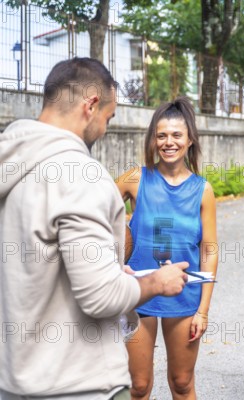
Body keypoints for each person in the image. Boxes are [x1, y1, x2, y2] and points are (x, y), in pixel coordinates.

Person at [0, 58, 189, 399]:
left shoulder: (11, 168)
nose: (104, 129)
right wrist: (157, 281)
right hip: (78, 383)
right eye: (108, 117)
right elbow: (102, 297)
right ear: (90, 106)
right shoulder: (80, 175)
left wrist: (114, 271)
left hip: (14, 381)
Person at [115, 97, 218, 399]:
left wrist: (203, 310)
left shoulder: (203, 190)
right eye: (161, 135)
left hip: (184, 295)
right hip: (138, 293)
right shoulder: (136, 179)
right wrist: (118, 230)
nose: (168, 142)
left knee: (182, 382)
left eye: (176, 135)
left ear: (189, 140)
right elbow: (95, 212)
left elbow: (210, 250)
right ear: (153, 140)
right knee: (139, 386)